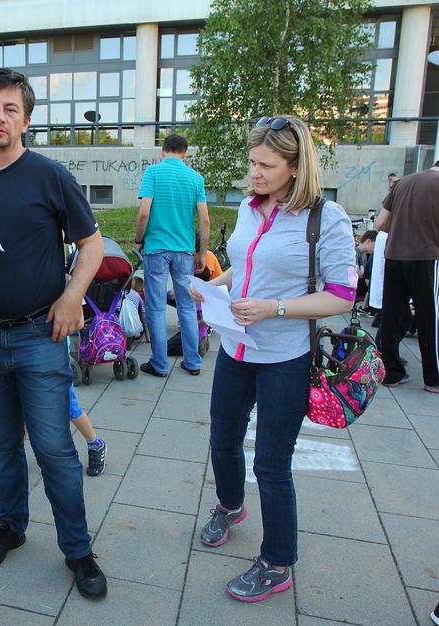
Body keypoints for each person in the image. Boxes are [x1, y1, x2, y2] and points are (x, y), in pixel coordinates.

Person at [0, 68, 107, 599]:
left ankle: (77, 549)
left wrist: (72, 296)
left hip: (39, 335)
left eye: (10, 108)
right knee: (2, 445)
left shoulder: (50, 176)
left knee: (54, 449)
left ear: (26, 119)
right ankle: (10, 524)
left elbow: (92, 246)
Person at [190, 115, 356, 602]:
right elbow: (244, 266)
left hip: (286, 355)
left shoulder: (326, 218)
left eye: (266, 165)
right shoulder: (248, 207)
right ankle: (229, 505)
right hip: (236, 347)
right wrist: (212, 289)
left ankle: (278, 562)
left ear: (295, 166)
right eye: (252, 162)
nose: (254, 173)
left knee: (271, 464)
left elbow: (342, 295)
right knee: (222, 439)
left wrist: (273, 308)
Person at [134, 133, 210, 377]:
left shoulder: (153, 173)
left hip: (156, 247)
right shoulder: (196, 178)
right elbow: (205, 219)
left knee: (156, 307)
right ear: (185, 153)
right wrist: (202, 252)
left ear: (163, 151)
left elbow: (144, 212)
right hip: (185, 250)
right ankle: (193, 362)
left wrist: (138, 239)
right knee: (187, 306)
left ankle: (159, 364)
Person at [373, 160, 439, 393]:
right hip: (426, 257)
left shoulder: (403, 182)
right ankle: (433, 378)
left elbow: (380, 222)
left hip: (393, 256)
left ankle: (390, 372)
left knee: (391, 314)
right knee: (429, 316)